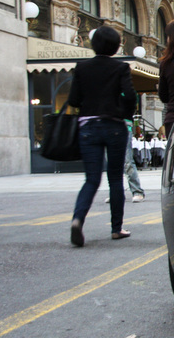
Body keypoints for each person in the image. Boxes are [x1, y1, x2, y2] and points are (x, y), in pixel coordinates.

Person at [67, 26, 137, 247]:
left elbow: (73, 100)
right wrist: (123, 114)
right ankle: (117, 228)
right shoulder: (121, 68)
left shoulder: (82, 67)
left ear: (93, 44)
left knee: (91, 179)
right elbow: (130, 95)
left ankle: (78, 220)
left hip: (88, 127)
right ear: (116, 47)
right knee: (115, 178)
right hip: (114, 125)